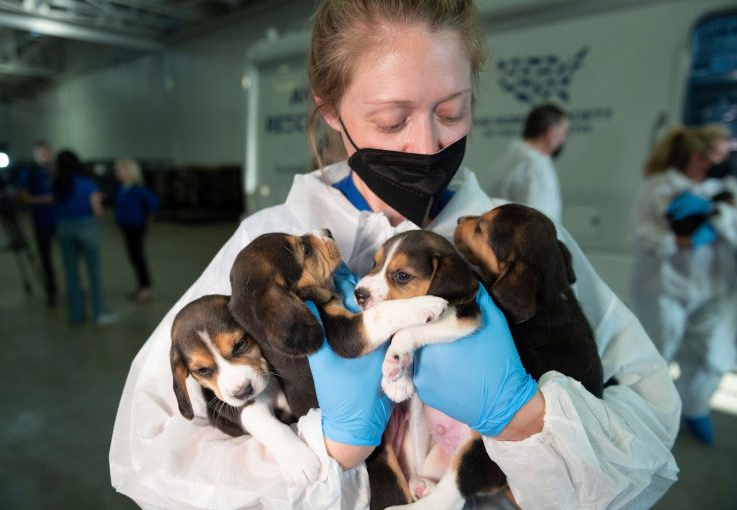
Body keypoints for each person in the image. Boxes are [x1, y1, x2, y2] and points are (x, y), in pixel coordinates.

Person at [109, 1, 679, 509]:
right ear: (329, 108)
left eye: (451, 111)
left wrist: (526, 419)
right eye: (392, 119)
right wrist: (328, 450)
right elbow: (154, 458)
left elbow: (650, 425)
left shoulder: (517, 237)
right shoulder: (270, 246)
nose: (428, 145)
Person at [629, 124, 736, 445]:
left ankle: (694, 408)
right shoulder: (658, 186)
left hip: (712, 288)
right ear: (698, 156)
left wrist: (718, 212)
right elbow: (640, 234)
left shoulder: (727, 188)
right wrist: (679, 239)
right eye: (719, 153)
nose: (724, 159)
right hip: (665, 288)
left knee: (710, 357)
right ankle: (651, 418)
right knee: (658, 354)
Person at [53, 150, 119, 326]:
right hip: (86, 228)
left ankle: (76, 314)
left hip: (64, 229)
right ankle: (98, 313)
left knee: (71, 274)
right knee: (94, 272)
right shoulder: (87, 183)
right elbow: (97, 211)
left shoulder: (57, 184)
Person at [490, 103, 569, 223]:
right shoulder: (538, 167)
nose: (563, 140)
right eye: (564, 133)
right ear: (551, 133)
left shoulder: (509, 157)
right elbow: (541, 226)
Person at [17, 141, 58, 306]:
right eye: (41, 153)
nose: (44, 155)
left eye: (47, 152)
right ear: (35, 154)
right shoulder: (30, 172)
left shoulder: (55, 170)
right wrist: (42, 199)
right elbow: (23, 195)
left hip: (61, 220)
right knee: (45, 256)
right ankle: (51, 288)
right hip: (41, 220)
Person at [113, 158, 159, 303]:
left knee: (138, 257)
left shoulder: (136, 188)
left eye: (119, 170)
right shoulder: (123, 187)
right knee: (133, 257)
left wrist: (150, 218)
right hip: (126, 227)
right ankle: (142, 286)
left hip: (135, 227)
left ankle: (145, 288)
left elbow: (154, 201)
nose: (116, 173)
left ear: (128, 171)